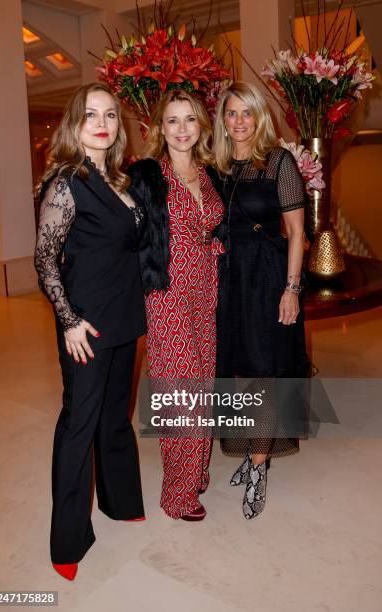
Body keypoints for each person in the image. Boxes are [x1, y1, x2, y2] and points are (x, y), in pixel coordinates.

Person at [34, 82, 146, 580]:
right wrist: (69, 321)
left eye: (110, 115)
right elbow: (45, 261)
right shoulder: (66, 181)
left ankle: (120, 502)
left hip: (124, 316)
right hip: (87, 322)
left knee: (116, 417)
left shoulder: (122, 180)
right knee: (79, 424)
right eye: (90, 115)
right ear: (74, 124)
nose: (102, 123)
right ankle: (67, 541)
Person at [127, 90, 225, 521]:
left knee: (202, 383)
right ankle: (177, 494)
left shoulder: (208, 174)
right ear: (159, 128)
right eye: (172, 121)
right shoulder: (148, 175)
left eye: (189, 119)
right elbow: (126, 234)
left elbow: (215, 226)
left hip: (206, 288)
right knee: (179, 390)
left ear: (201, 125)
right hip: (166, 292)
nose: (182, 129)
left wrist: (217, 246)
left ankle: (196, 470)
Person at [213, 81, 309, 519]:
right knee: (237, 370)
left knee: (264, 372)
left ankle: (257, 466)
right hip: (227, 279)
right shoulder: (213, 165)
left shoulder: (278, 162)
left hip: (267, 278)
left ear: (259, 116)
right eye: (231, 113)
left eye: (246, 113)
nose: (239, 122)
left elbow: (297, 233)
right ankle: (256, 448)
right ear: (222, 119)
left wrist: (291, 289)